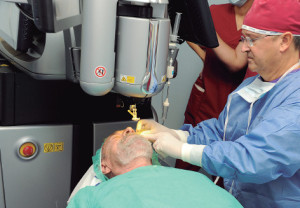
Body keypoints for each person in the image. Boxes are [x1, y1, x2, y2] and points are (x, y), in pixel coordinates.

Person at [136, 0, 300, 207]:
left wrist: (182, 150)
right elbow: (221, 132)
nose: (243, 48)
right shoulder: (251, 86)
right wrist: (177, 135)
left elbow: (253, 159)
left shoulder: (295, 100)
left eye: (252, 40)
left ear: (284, 41)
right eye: (243, 39)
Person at [176, 0, 255, 178]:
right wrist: (206, 57)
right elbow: (190, 33)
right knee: (185, 155)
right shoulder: (214, 12)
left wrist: (209, 32)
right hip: (205, 94)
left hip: (233, 99)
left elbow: (236, 63)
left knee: (223, 165)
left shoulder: (259, 19)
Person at [67, 127, 243, 208]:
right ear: (104, 166)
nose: (129, 129)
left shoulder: (198, 179)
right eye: (117, 136)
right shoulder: (92, 197)